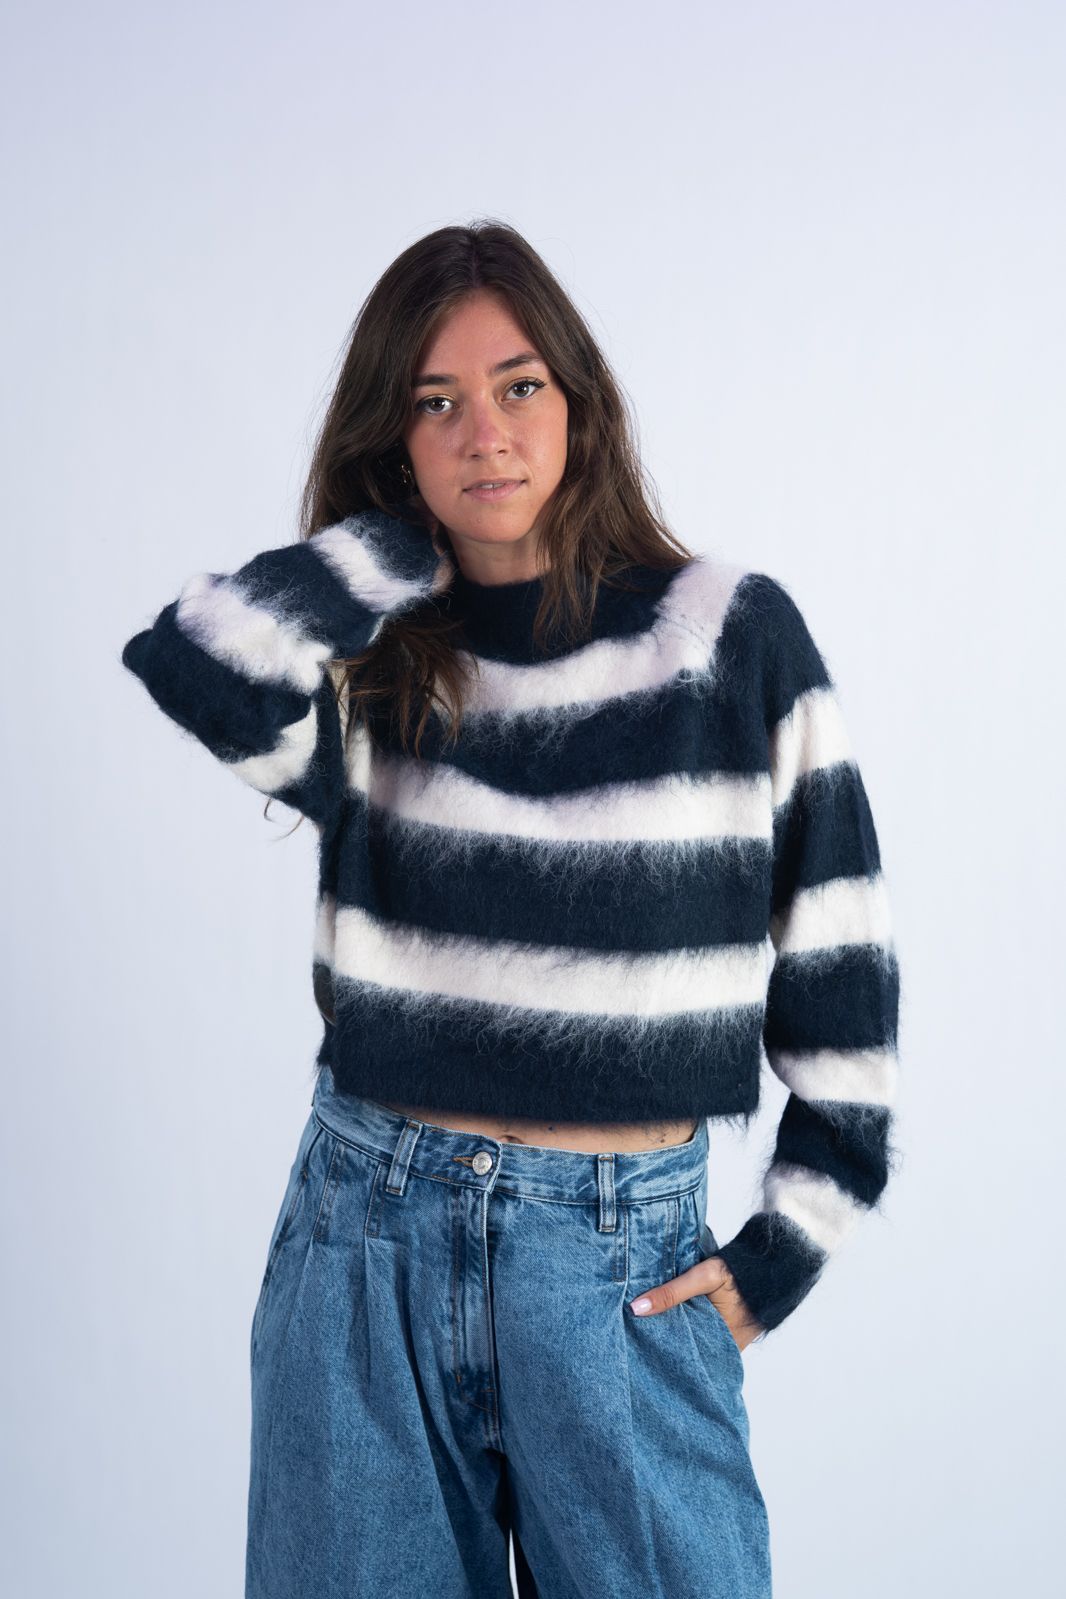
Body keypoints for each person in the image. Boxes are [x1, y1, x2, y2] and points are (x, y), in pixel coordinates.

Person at [120, 220, 900, 1599]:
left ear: (578, 402)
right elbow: (198, 661)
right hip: (365, 1248)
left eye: (518, 386)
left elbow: (841, 970)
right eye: (435, 404)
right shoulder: (375, 671)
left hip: (617, 1269)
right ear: (395, 441)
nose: (485, 433)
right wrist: (388, 548)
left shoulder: (727, 638)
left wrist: (783, 1253)